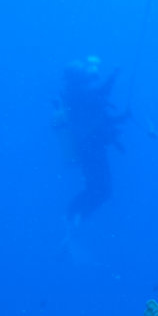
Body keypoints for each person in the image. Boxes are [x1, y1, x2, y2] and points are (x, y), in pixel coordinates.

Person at [53, 56, 129, 221]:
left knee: (100, 190)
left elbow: (98, 107)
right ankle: (72, 216)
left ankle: (74, 217)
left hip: (90, 148)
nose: (89, 80)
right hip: (90, 148)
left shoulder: (77, 96)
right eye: (84, 77)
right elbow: (100, 96)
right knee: (101, 190)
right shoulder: (78, 95)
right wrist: (114, 75)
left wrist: (120, 118)